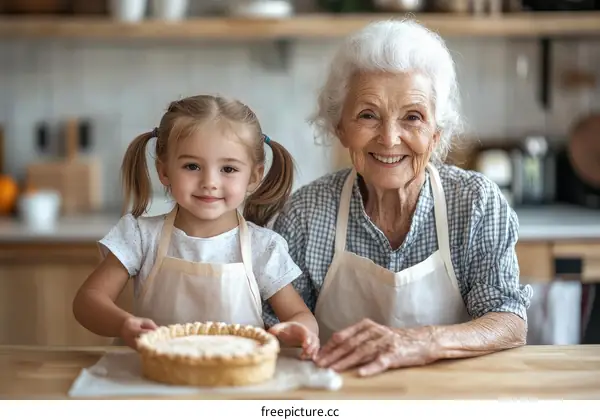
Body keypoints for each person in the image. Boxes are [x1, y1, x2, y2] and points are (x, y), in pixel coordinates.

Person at [263, 19, 533, 376]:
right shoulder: (307, 213)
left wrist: (420, 341)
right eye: (368, 115)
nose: (390, 139)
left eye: (413, 117)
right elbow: (276, 330)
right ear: (340, 127)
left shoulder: (476, 203)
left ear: (436, 134)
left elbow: (509, 321)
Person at [73, 94, 319, 359]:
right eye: (192, 166)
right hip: (154, 379)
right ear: (164, 171)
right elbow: (87, 301)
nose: (209, 182)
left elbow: (299, 315)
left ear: (254, 176)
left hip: (236, 383)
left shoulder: (264, 247)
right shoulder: (140, 237)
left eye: (228, 169)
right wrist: (123, 324)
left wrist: (301, 330)